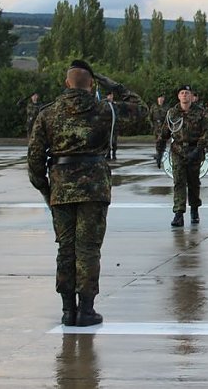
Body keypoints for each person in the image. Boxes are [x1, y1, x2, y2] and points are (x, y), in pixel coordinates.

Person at [27, 60, 146, 327]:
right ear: (91, 84)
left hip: (61, 188)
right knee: (89, 249)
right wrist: (113, 84)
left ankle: (68, 309)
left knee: (66, 249)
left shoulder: (47, 114)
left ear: (67, 83)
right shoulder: (105, 110)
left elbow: (34, 160)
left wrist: (47, 190)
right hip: (94, 188)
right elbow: (141, 109)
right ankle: (87, 309)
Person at [156, 85, 208, 227]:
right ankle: (178, 213)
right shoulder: (172, 113)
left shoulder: (200, 112)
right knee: (179, 182)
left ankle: (194, 209)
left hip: (194, 150)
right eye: (182, 93)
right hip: (178, 151)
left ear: (191, 96)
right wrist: (159, 152)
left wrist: (198, 150)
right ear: (178, 96)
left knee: (193, 182)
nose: (185, 95)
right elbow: (164, 134)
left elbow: (206, 133)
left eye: (187, 93)